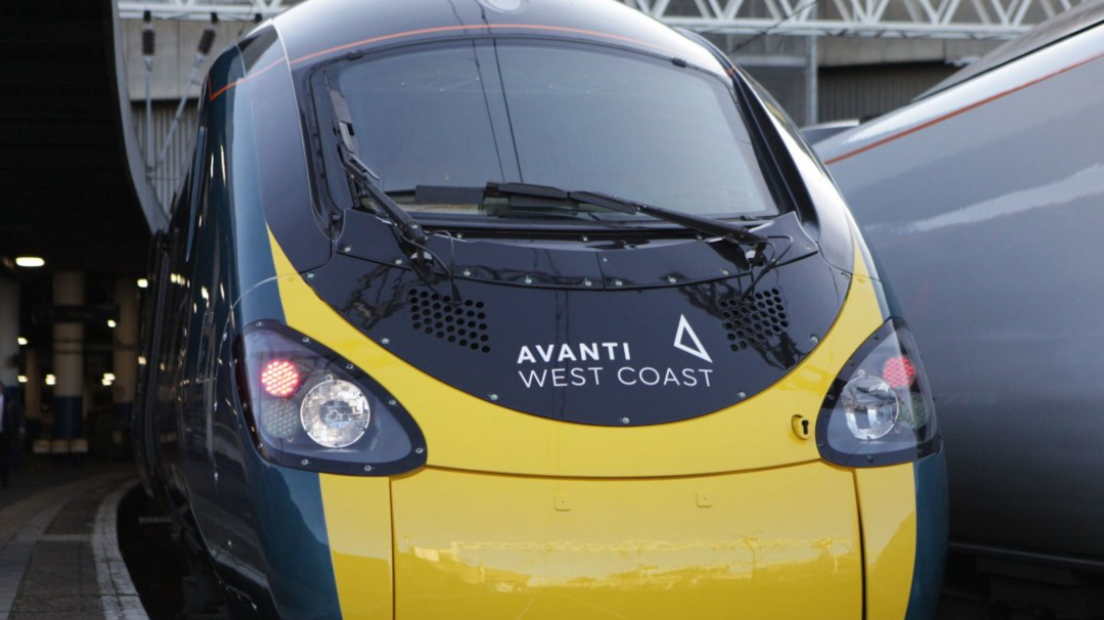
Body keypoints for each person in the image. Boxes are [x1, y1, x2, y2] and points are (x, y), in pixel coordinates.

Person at [0, 380, 24, 488]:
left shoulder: (10, 402)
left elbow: (18, 416)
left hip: (5, 433)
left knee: (4, 458)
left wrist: (21, 429)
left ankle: (5, 480)